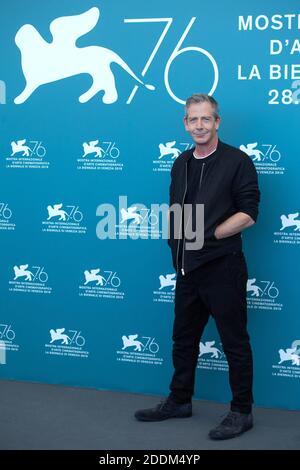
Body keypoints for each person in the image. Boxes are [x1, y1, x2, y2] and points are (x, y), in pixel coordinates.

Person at [135, 93, 260, 440]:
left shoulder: (237, 161)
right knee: (183, 338)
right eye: (193, 119)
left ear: (217, 122)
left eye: (206, 119)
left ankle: (241, 411)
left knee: (234, 342)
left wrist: (214, 233)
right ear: (185, 123)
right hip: (187, 269)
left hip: (223, 267)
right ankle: (179, 400)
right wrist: (176, 247)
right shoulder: (181, 163)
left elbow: (249, 212)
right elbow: (176, 209)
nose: (200, 126)